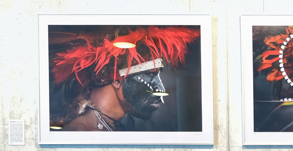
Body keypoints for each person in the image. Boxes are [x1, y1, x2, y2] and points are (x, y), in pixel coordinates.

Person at [49, 26, 199, 131]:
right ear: (116, 79)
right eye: (150, 74)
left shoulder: (117, 127)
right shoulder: (80, 133)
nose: (160, 89)